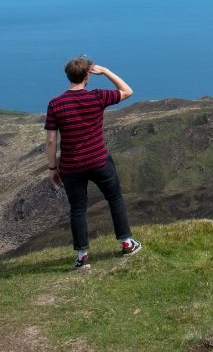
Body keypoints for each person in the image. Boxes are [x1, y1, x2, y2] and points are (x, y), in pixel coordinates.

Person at [45, 56, 141, 269]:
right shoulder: (97, 97)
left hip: (71, 166)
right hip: (99, 161)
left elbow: (51, 140)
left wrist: (53, 168)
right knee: (114, 198)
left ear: (68, 76)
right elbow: (127, 91)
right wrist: (106, 71)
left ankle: (82, 257)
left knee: (78, 208)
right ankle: (126, 243)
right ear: (88, 75)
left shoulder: (56, 104)